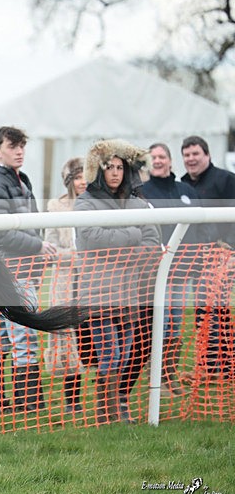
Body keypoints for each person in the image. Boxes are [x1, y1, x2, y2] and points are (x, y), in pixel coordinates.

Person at [73, 139, 161, 425]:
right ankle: (105, 414)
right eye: (109, 167)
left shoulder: (136, 202)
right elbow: (91, 239)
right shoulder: (85, 201)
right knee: (109, 354)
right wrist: (131, 236)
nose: (114, 172)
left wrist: (121, 246)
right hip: (97, 294)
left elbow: (152, 243)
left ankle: (116, 409)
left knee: (124, 354)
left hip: (128, 294)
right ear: (99, 170)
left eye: (119, 167)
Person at [0, 128, 56, 414]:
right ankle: (28, 406)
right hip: (11, 271)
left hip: (15, 270)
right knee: (24, 337)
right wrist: (39, 246)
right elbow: (0, 230)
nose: (19, 151)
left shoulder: (18, 179)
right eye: (13, 146)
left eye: (22, 146)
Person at [141, 142, 209, 395]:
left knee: (176, 324)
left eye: (162, 156)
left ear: (170, 160)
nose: (157, 161)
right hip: (157, 273)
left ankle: (170, 375)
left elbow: (200, 226)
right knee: (161, 323)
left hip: (183, 271)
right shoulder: (142, 192)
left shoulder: (186, 190)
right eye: (153, 157)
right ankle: (156, 377)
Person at [179, 135, 235, 377]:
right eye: (187, 155)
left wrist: (230, 248)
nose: (191, 159)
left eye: (195, 154)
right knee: (207, 310)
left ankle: (213, 366)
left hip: (224, 255)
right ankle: (221, 365)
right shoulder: (182, 185)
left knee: (214, 310)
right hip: (196, 258)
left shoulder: (226, 180)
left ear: (207, 155)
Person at [44, 157, 87, 414]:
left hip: (91, 278)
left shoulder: (96, 205)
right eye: (78, 177)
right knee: (67, 336)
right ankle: (72, 399)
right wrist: (71, 256)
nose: (82, 182)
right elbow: (50, 247)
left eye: (85, 177)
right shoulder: (56, 207)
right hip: (64, 278)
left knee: (87, 334)